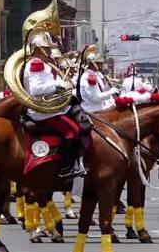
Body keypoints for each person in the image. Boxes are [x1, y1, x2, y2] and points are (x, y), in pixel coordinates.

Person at [23, 29, 87, 178]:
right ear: (38, 50)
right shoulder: (36, 64)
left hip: (52, 108)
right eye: (47, 49)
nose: (50, 52)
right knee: (72, 131)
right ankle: (66, 167)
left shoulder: (44, 65)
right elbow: (35, 89)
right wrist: (57, 85)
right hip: (42, 110)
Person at [78, 47, 118, 114]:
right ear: (92, 63)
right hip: (93, 110)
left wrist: (109, 86)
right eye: (99, 63)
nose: (101, 65)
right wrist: (111, 92)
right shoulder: (88, 77)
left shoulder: (96, 74)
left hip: (100, 106)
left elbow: (103, 90)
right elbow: (95, 98)